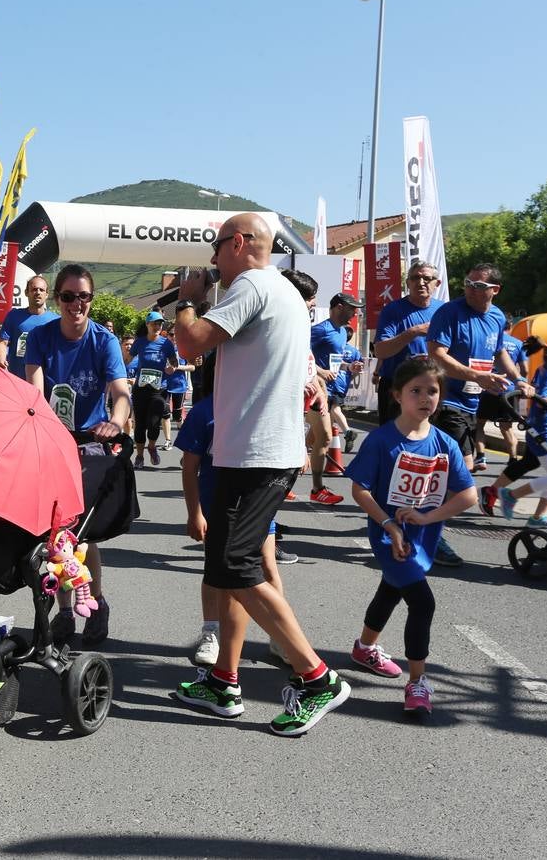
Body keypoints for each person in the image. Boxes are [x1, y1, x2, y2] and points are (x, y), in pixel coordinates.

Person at [170, 213, 350, 736]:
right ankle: (224, 680)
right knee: (227, 569)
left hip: (256, 455)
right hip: (255, 452)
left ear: (240, 243)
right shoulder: (285, 292)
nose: (212, 259)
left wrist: (187, 298)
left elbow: (190, 343)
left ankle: (316, 677)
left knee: (237, 565)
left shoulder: (251, 285)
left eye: (216, 246)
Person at [344, 357, 477, 716]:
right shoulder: (381, 440)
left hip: (422, 536)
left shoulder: (445, 444)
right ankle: (417, 682)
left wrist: (428, 517)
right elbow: (360, 489)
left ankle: (364, 648)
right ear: (397, 395)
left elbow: (468, 495)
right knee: (422, 603)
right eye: (415, 390)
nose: (425, 398)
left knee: (391, 588)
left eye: (432, 391)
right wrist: (389, 523)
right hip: (390, 536)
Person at [25, 264, 130, 647]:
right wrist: (40, 424)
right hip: (53, 442)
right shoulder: (41, 337)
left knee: (81, 537)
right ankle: (66, 611)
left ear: (91, 299)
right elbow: (35, 390)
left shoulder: (104, 341)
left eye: (83, 296)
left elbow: (121, 392)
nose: (76, 304)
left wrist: (115, 422)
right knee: (55, 535)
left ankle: (96, 603)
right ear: (58, 299)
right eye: (68, 297)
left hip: (90, 442)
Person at [177, 352, 296, 668]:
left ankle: (280, 637)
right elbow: (189, 467)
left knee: (268, 565)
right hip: (216, 508)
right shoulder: (204, 412)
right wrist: (194, 513)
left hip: (255, 504)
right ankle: (211, 632)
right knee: (214, 570)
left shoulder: (260, 407)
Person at [426, 263, 530, 565]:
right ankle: (431, 531)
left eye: (479, 285)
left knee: (455, 468)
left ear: (495, 290)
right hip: (447, 400)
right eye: (468, 283)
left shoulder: (496, 317)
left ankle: (418, 517)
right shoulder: (450, 312)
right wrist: (476, 376)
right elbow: (436, 354)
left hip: (473, 401)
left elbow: (500, 352)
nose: (470, 289)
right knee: (457, 470)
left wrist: (519, 379)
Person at [483, 338, 547, 528]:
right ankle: (512, 496)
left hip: (541, 431)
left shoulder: (543, 370)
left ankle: (538, 517)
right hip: (545, 433)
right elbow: (543, 399)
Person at [285, 270, 342, 505]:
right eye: (310, 297)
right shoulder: (283, 322)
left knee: (325, 436)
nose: (314, 303)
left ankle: (316, 488)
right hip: (292, 395)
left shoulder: (302, 321)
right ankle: (283, 483)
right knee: (296, 442)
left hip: (313, 392)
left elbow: (306, 357)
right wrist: (303, 384)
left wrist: (318, 383)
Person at [372, 260, 445, 424]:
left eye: (427, 278)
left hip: (431, 386)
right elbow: (380, 351)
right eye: (415, 278)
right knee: (393, 437)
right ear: (408, 283)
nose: (421, 282)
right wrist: (414, 331)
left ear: (437, 283)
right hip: (398, 385)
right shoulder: (392, 310)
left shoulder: (444, 311)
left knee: (427, 435)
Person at [311, 293, 365, 473]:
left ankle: (291, 472)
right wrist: (320, 371)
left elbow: (334, 361)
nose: (355, 314)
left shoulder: (342, 332)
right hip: (315, 389)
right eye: (352, 309)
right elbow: (299, 352)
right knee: (325, 437)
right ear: (339, 307)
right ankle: (316, 484)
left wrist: (349, 367)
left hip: (330, 389)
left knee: (314, 438)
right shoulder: (321, 329)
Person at [126, 310, 175, 469]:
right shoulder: (139, 342)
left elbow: (173, 361)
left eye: (160, 324)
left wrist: (172, 367)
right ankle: (139, 456)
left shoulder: (166, 343)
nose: (157, 326)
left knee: (154, 423)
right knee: (140, 424)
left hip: (158, 389)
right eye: (154, 324)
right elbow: (128, 359)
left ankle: (152, 447)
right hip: (141, 388)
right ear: (147, 324)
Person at [472, 331, 527, 471]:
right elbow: (525, 370)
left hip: (489, 388)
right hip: (509, 390)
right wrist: (519, 384)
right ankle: (513, 459)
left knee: (479, 424)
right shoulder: (518, 343)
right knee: (507, 427)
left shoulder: (489, 339)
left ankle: (481, 457)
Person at [0, 275, 57, 375]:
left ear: (47, 294)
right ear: (26, 292)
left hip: (45, 379)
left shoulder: (55, 320)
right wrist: (1, 361)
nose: (38, 292)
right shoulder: (14, 316)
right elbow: (2, 342)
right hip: (17, 378)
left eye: (41, 290)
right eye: (34, 289)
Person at [328, 334, 365, 458]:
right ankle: (324, 439)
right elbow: (359, 368)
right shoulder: (354, 351)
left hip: (332, 382)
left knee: (334, 408)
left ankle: (348, 432)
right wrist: (349, 379)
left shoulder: (334, 347)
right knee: (328, 411)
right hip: (342, 384)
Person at [162, 326, 193, 449]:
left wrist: (177, 367)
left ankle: (183, 437)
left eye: (176, 334)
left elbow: (192, 367)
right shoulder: (162, 348)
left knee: (177, 416)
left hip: (179, 386)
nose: (174, 337)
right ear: (167, 335)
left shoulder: (184, 350)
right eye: (171, 334)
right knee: (164, 413)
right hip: (164, 384)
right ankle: (168, 440)